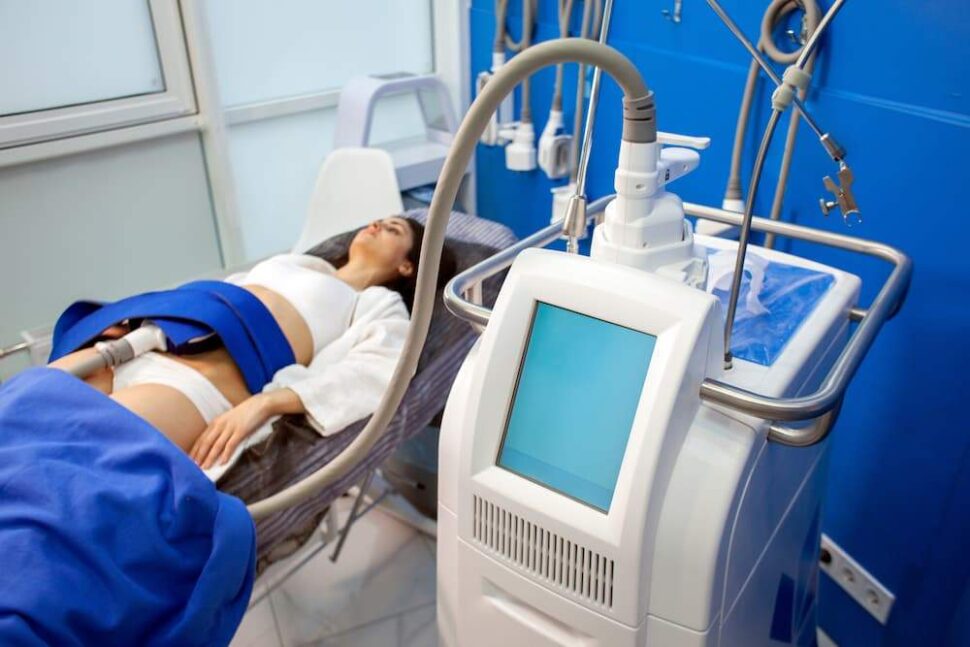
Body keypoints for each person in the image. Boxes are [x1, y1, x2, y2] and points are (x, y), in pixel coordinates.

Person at [50, 216, 455, 471]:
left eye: (393, 229)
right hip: (140, 345)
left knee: (72, 455)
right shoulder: (294, 263)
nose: (375, 224)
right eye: (378, 220)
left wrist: (265, 404)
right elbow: (220, 295)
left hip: (192, 383)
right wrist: (141, 319)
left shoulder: (374, 305)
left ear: (407, 265)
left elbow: (378, 371)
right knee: (30, 409)